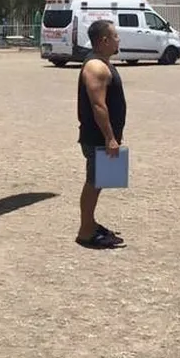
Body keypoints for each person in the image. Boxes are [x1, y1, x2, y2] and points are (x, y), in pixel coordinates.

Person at [75, 19, 127, 249]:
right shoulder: (95, 67)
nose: (118, 39)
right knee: (94, 182)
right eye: (115, 36)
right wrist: (110, 138)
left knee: (102, 180)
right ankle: (86, 231)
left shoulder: (103, 63)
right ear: (104, 40)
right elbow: (98, 106)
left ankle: (91, 223)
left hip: (104, 137)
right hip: (97, 138)